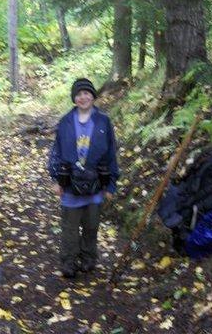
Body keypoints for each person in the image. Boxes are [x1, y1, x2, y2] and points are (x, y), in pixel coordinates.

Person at [48, 78, 120, 278]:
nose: (83, 97)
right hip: (70, 184)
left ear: (93, 96)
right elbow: (56, 151)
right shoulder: (65, 122)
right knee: (69, 229)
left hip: (96, 183)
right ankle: (68, 263)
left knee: (91, 226)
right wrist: (55, 179)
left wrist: (111, 185)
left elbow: (111, 154)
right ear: (74, 98)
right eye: (78, 94)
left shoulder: (103, 121)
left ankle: (88, 259)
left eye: (86, 93)